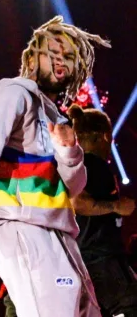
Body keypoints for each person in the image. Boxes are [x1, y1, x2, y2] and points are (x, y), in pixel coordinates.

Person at [0, 16, 110, 316]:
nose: (62, 61)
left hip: (59, 232)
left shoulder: (58, 119)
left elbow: (72, 190)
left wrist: (68, 151)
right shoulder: (12, 94)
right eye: (54, 53)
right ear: (33, 56)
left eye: (70, 58)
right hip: (18, 227)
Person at [69, 104, 137, 315]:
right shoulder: (93, 165)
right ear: (104, 136)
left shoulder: (78, 166)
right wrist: (116, 206)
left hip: (88, 263)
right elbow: (77, 202)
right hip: (102, 262)